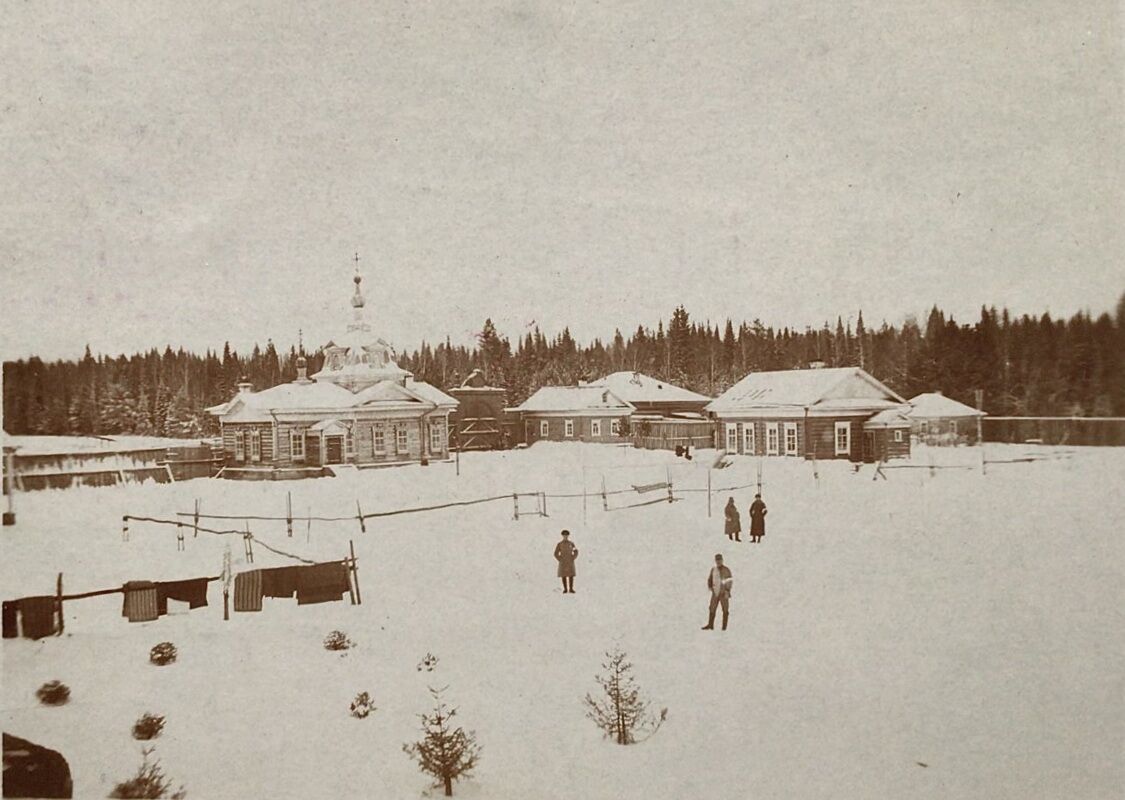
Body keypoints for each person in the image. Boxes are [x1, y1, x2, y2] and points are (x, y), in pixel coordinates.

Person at [702, 554, 733, 630]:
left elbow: (729, 581)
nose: (718, 561)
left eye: (720, 560)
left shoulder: (726, 570)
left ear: (722, 560)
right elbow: (710, 579)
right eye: (717, 560)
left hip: (724, 593)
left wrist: (727, 590)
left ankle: (724, 627)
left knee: (725, 609)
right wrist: (710, 586)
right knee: (712, 608)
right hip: (715, 593)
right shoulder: (713, 569)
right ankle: (710, 625)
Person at [554, 529, 579, 594]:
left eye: (566, 535)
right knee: (563, 575)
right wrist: (560, 559)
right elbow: (556, 553)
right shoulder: (559, 544)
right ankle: (565, 589)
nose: (565, 536)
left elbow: (575, 551)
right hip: (563, 562)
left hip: (570, 561)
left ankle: (571, 589)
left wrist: (573, 557)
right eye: (564, 535)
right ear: (562, 536)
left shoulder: (571, 544)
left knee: (571, 576)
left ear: (568, 536)